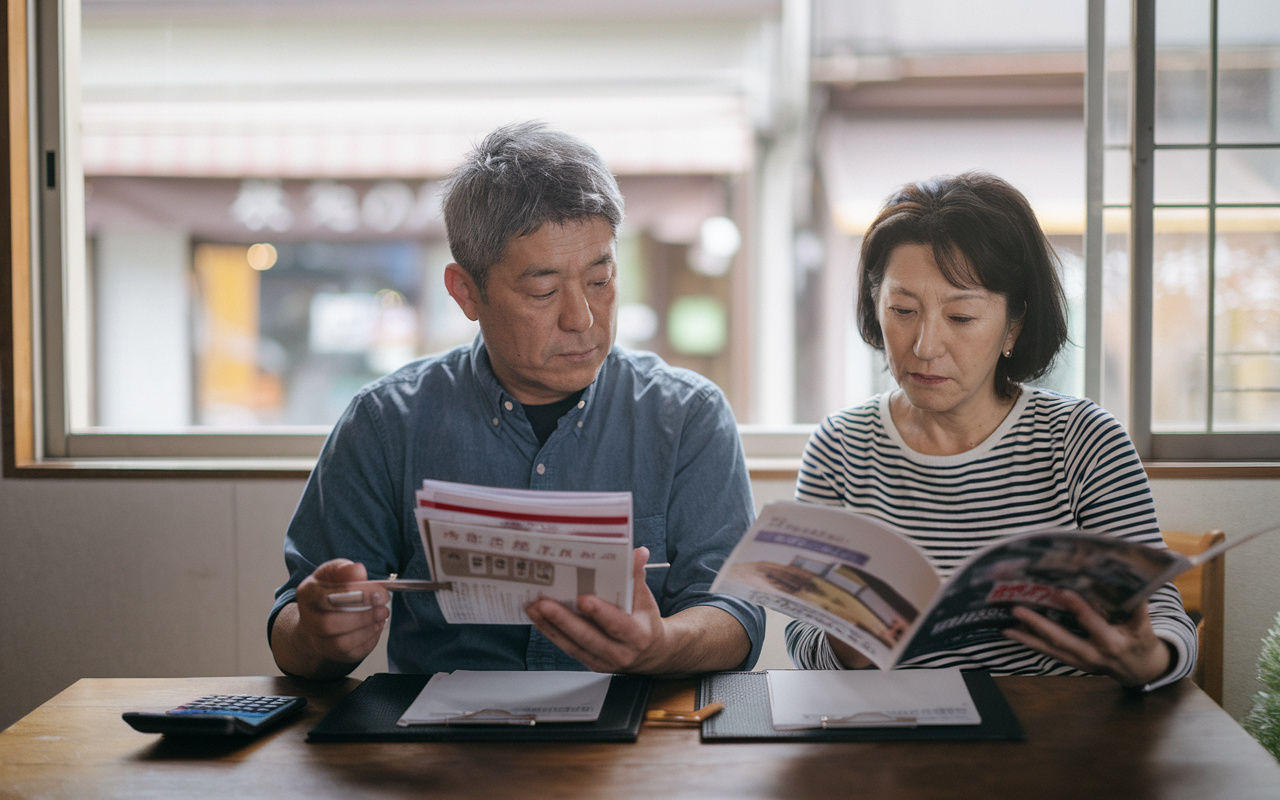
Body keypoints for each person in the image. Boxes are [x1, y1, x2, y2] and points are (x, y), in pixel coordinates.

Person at [269, 121, 764, 680]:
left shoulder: (686, 416)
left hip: (636, 743)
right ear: (466, 292)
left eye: (600, 280)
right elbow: (293, 624)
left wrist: (663, 646)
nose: (581, 318)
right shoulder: (387, 422)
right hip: (443, 749)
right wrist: (318, 634)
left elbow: (736, 613)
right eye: (543, 291)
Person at [785, 172, 1197, 690]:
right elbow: (803, 638)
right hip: (890, 740)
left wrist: (1151, 661)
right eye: (903, 311)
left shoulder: (1083, 442)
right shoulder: (839, 449)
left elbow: (1164, 622)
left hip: (1052, 735)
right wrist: (845, 645)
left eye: (960, 316)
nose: (925, 345)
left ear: (1014, 326)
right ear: (875, 307)